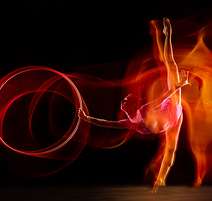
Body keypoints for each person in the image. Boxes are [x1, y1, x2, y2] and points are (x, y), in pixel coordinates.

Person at [78, 18, 189, 193]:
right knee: (169, 148)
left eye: (124, 100)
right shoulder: (132, 121)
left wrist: (178, 86)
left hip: (169, 106)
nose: (122, 101)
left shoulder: (144, 111)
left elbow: (166, 96)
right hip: (171, 116)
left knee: (167, 63)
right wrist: (87, 118)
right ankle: (161, 178)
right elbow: (107, 123)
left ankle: (164, 35)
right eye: (124, 102)